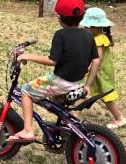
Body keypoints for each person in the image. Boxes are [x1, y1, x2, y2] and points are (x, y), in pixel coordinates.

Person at [6, 0, 101, 142]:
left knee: (26, 90)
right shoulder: (88, 35)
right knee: (56, 101)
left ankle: (27, 130)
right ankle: (65, 127)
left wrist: (28, 56)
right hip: (79, 83)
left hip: (61, 81)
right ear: (81, 17)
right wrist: (87, 85)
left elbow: (52, 60)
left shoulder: (60, 35)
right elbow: (97, 60)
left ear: (60, 18)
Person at [80, 7, 126, 129]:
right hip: (99, 71)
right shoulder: (97, 36)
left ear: (96, 26)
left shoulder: (99, 38)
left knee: (105, 95)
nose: (85, 28)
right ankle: (74, 113)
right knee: (84, 90)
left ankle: (119, 118)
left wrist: (89, 67)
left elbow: (98, 59)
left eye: (88, 27)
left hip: (101, 73)